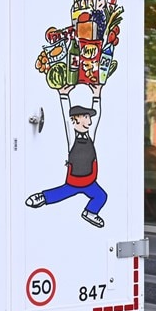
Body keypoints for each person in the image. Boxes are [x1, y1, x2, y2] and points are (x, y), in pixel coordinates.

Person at [25, 84, 107, 228]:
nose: (89, 120)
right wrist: (63, 95)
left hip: (89, 180)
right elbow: (66, 118)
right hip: (75, 179)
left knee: (101, 196)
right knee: (61, 193)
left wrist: (97, 95)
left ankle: (90, 212)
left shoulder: (90, 135)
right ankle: (42, 197)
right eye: (86, 117)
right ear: (76, 120)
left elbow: (98, 116)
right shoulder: (72, 137)